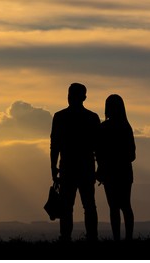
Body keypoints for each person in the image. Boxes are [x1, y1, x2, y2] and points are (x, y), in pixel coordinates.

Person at [50, 82, 100, 242]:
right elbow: (98, 146)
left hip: (68, 167)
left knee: (68, 206)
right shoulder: (92, 117)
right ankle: (91, 238)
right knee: (88, 206)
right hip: (85, 167)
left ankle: (66, 238)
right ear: (84, 97)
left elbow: (55, 145)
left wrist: (53, 167)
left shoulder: (60, 117)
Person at [96, 94, 136, 241]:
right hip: (124, 172)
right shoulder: (126, 127)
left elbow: (98, 153)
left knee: (114, 207)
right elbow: (132, 155)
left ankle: (117, 239)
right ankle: (128, 238)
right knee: (125, 205)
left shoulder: (103, 127)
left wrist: (104, 166)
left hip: (109, 172)